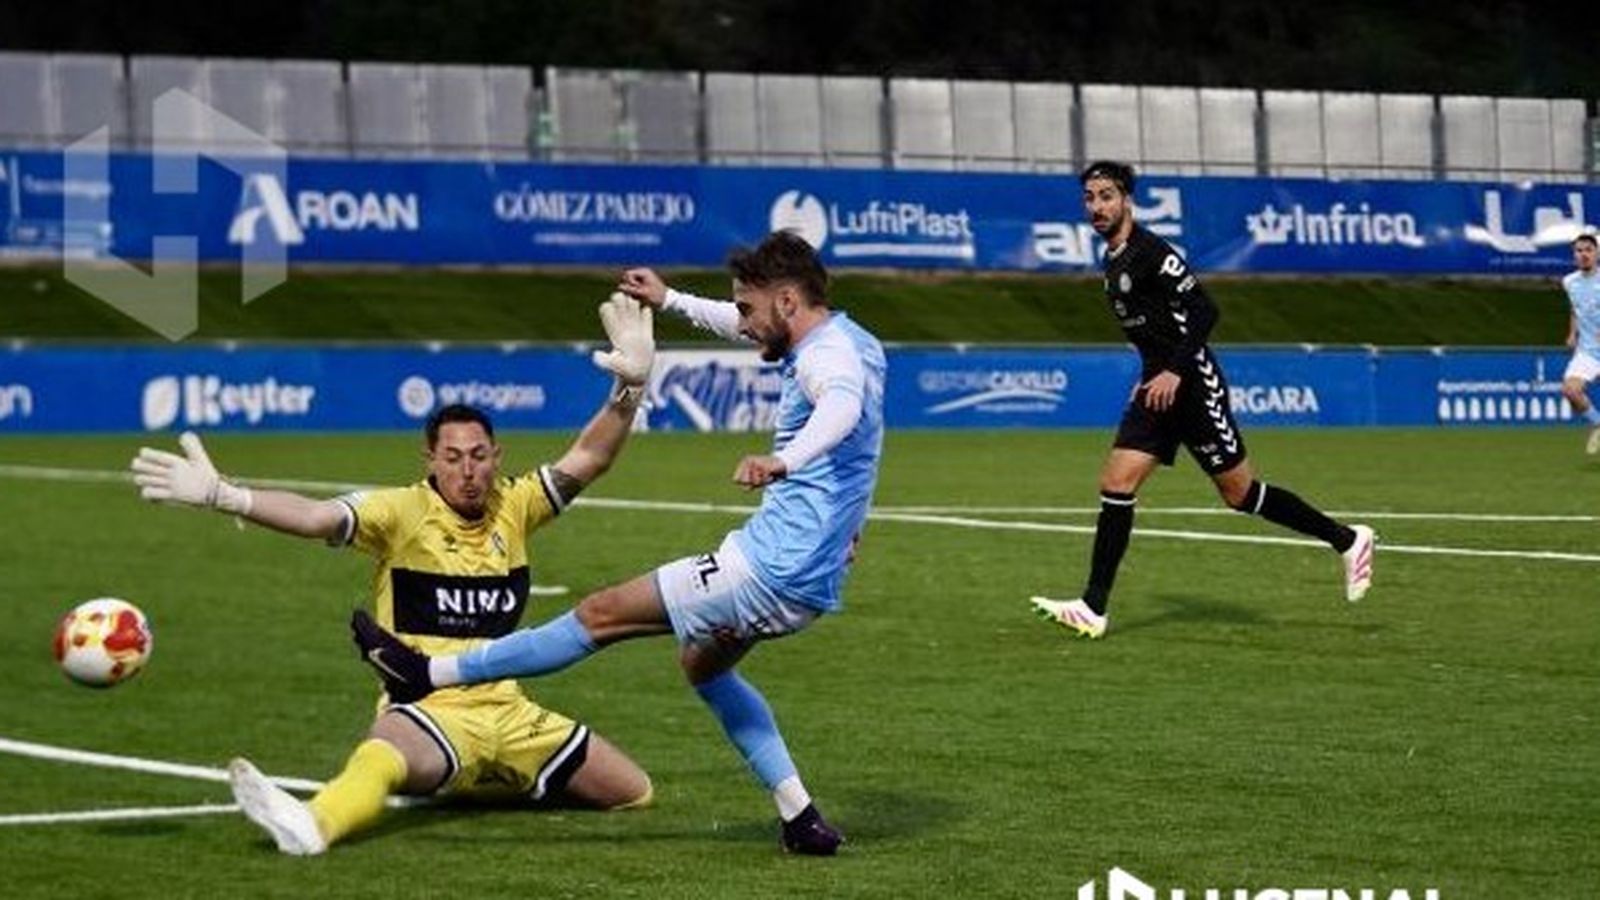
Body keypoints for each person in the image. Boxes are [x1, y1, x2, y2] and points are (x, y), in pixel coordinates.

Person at [349, 230, 885, 856]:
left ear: (788, 301)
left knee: (600, 615)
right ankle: (801, 818)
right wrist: (669, 298)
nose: (740, 324)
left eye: (747, 308)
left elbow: (840, 411)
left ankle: (426, 672)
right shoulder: (855, 341)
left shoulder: (828, 364)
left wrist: (784, 462)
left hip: (762, 569)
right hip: (810, 584)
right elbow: (851, 432)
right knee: (702, 667)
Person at [127, 293, 659, 856]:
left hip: (511, 712)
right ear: (429, 459)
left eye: (479, 456)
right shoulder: (399, 512)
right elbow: (315, 517)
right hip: (429, 707)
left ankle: (465, 777)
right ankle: (313, 824)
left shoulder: (517, 504)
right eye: (452, 458)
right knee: (382, 754)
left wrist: (629, 388)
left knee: (633, 791)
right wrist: (225, 495)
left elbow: (589, 459)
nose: (468, 471)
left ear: (497, 457)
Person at [1029, 161, 1375, 639]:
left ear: (1127, 199)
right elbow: (1155, 327)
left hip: (1191, 383)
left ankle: (1349, 540)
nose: (1097, 206)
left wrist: (1173, 368)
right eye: (1089, 197)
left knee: (1240, 494)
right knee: (1116, 481)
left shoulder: (1152, 252)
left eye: (1106, 195)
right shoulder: (1113, 260)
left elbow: (1204, 310)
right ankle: (1093, 607)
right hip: (1158, 386)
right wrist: (1151, 372)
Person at [1560, 233, 1600, 454]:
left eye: (1588, 250)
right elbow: (1575, 309)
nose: (1584, 255)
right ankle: (1598, 424)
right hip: (1588, 352)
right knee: (1569, 390)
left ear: (1597, 253)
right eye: (1579, 251)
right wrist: (1572, 334)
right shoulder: (1569, 282)